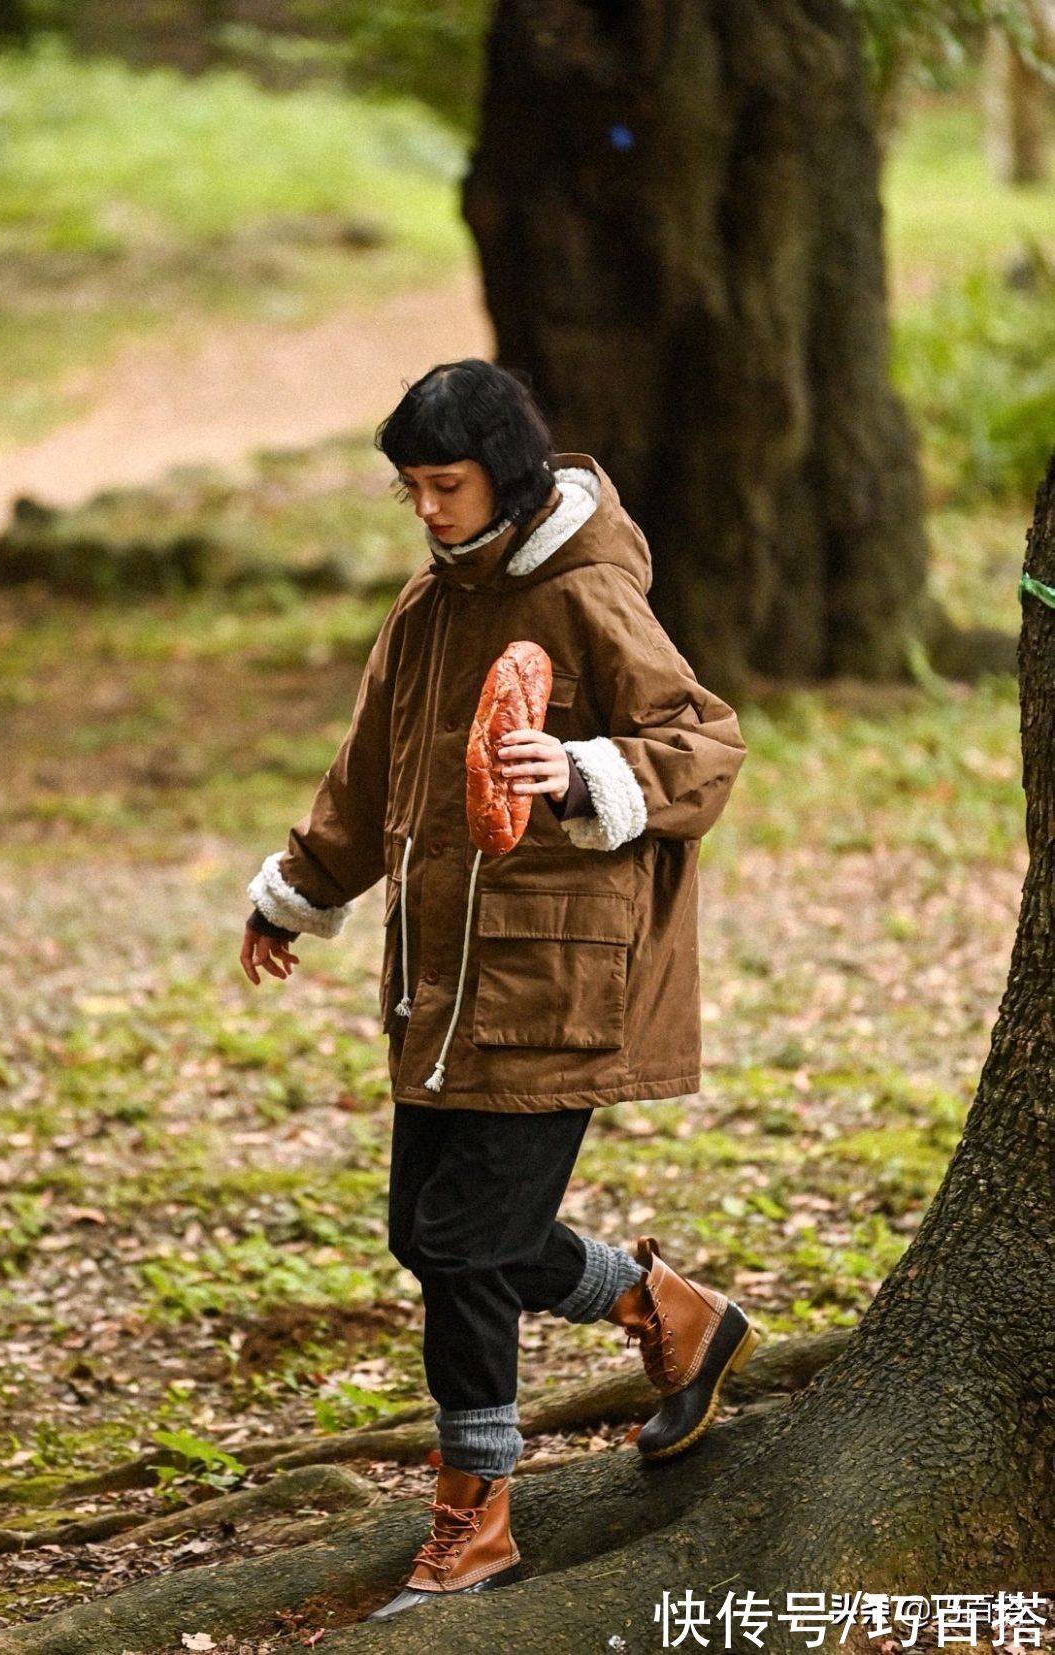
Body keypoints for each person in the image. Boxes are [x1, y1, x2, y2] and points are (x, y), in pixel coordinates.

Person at [240, 359, 755, 1621]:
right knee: (433, 1234)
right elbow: (369, 781)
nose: (424, 507)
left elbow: (704, 745)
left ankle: (475, 1519)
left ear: (509, 476)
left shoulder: (587, 593)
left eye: (445, 482)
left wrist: (579, 770)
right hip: (441, 983)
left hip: (558, 980)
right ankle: (664, 1305)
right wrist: (293, 891)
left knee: (467, 1245)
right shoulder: (426, 611)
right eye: (409, 486)